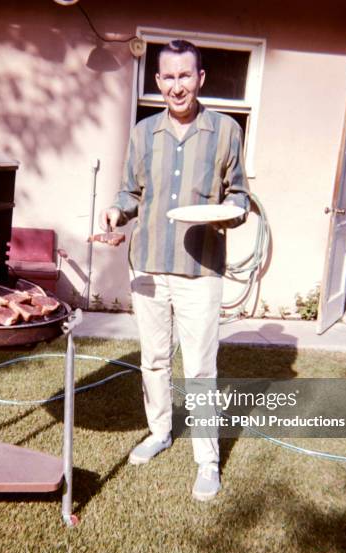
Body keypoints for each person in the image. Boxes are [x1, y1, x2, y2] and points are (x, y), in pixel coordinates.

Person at [99, 39, 250, 501]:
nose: (177, 86)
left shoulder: (225, 131)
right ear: (158, 81)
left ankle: (208, 461)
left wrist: (231, 212)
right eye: (169, 77)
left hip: (200, 269)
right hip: (148, 266)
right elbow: (131, 193)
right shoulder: (144, 132)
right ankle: (160, 431)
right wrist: (115, 212)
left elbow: (240, 196)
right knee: (154, 360)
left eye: (187, 76)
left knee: (200, 367)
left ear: (200, 79)